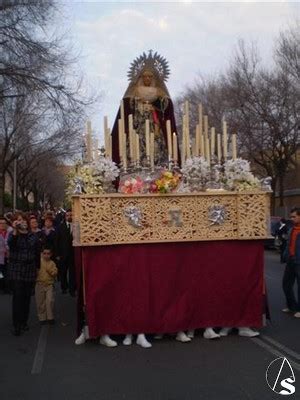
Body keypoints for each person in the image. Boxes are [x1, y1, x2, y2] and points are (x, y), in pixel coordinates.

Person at [112, 50, 178, 167]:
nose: (147, 78)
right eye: (145, 76)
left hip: (154, 126)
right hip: (138, 126)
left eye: (150, 76)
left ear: (154, 78)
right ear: (141, 77)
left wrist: (157, 104)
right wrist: (138, 104)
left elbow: (166, 108)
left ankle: (157, 165)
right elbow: (127, 107)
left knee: (156, 147)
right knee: (137, 145)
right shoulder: (135, 91)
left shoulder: (159, 92)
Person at [7, 216, 40, 336]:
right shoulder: (13, 234)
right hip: (16, 269)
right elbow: (12, 244)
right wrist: (15, 230)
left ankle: (24, 322)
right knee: (17, 297)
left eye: (24, 221)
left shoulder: (33, 236)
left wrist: (38, 268)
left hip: (29, 270)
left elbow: (36, 253)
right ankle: (16, 325)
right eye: (19, 221)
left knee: (26, 298)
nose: (23, 223)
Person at [282, 207, 300, 318]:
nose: (292, 219)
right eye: (291, 217)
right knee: (286, 284)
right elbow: (288, 244)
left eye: (294, 216)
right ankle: (291, 306)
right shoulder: (292, 229)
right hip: (291, 260)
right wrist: (285, 256)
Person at [55, 210, 76, 296]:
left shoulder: (76, 226)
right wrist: (57, 254)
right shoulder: (60, 227)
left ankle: (72, 290)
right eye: (67, 215)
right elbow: (57, 241)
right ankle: (64, 287)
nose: (69, 217)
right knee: (63, 272)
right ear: (65, 217)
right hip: (63, 254)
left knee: (72, 273)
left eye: (71, 215)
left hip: (73, 253)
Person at [35, 247, 58, 325]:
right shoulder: (38, 262)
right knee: (40, 302)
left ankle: (50, 317)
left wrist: (51, 271)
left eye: (48, 254)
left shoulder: (52, 263)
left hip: (49, 285)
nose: (46, 255)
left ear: (51, 255)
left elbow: (55, 272)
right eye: (44, 253)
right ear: (41, 254)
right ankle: (42, 317)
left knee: (50, 301)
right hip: (39, 284)